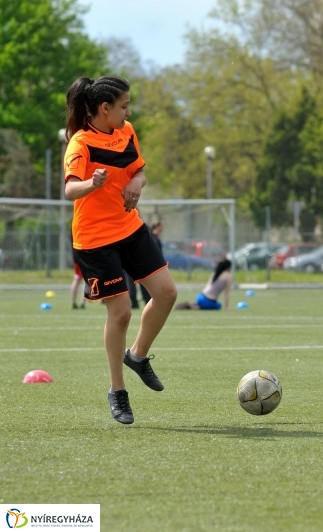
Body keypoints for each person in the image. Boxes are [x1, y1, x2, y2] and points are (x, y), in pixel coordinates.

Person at [64, 76, 178, 425]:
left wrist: (135, 182)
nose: (128, 111)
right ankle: (117, 391)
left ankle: (138, 356)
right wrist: (91, 183)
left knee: (167, 293)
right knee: (121, 314)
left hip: (129, 228)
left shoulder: (126, 131)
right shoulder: (80, 143)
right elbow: (70, 191)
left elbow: (139, 171)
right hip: (95, 239)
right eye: (124, 105)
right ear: (105, 108)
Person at [140, 221, 163, 305]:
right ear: (157, 226)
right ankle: (149, 300)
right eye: (161, 226)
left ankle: (149, 300)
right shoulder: (152, 236)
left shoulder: (153, 235)